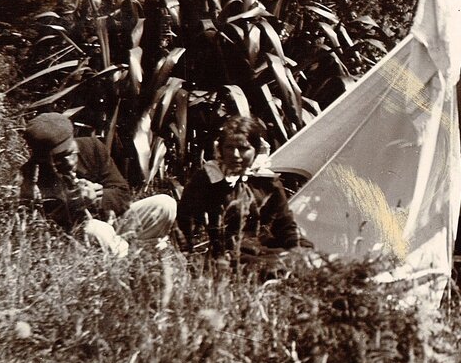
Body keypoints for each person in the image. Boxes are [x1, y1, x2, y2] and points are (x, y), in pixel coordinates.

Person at [20, 112, 176, 257]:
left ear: (74, 139)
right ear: (42, 158)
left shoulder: (93, 148)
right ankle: (132, 260)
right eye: (59, 158)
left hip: (116, 222)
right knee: (96, 230)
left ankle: (128, 253)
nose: (68, 162)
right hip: (82, 238)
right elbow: (45, 225)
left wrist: (97, 199)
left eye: (70, 152)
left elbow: (123, 195)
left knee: (164, 204)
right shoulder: (31, 176)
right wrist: (72, 205)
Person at [176, 116, 302, 269]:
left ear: (256, 151)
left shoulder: (267, 181)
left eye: (243, 148)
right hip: (225, 255)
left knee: (310, 260)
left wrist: (298, 251)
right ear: (220, 149)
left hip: (264, 249)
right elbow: (185, 224)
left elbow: (285, 224)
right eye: (229, 147)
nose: (235, 155)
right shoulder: (208, 178)